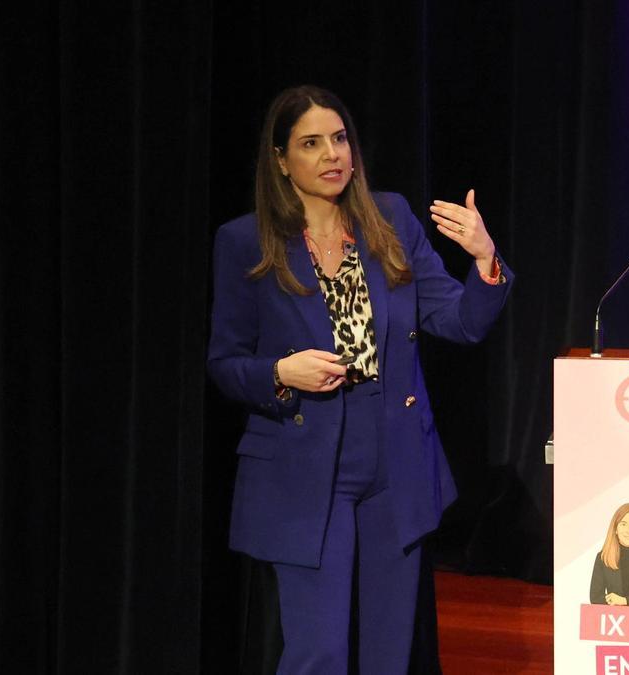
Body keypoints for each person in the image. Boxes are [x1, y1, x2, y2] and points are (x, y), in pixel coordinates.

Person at [207, 85, 512, 674]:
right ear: (280, 160)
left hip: (393, 458)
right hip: (303, 461)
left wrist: (484, 261)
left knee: (386, 654)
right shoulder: (245, 241)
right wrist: (278, 372)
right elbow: (224, 364)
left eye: (340, 138)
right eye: (311, 143)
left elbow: (460, 321)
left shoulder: (389, 218)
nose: (332, 155)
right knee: (318, 651)